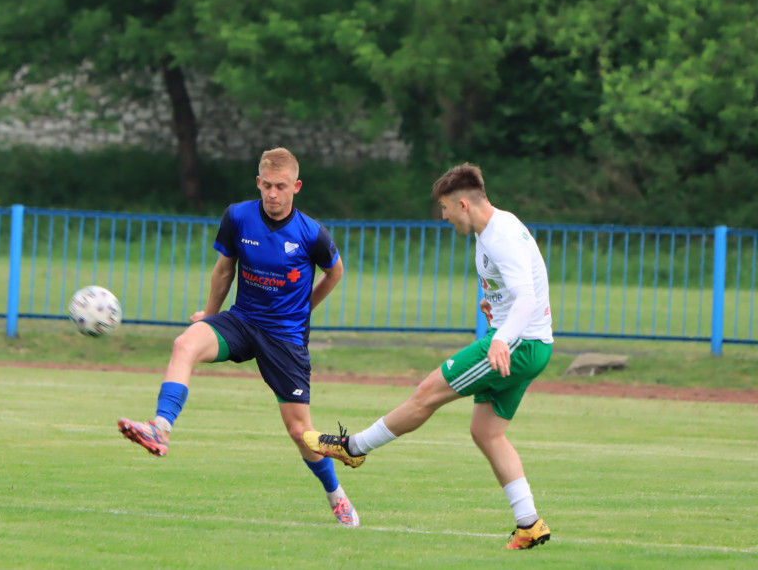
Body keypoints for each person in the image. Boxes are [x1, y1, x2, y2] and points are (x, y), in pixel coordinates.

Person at [304, 163, 553, 549]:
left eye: (445, 208)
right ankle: (529, 523)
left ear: (464, 204)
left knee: (426, 393)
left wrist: (502, 338)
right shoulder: (495, 228)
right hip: (529, 343)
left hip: (517, 345)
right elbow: (518, 289)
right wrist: (495, 305)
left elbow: (528, 299)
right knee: (486, 432)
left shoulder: (500, 236)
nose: (443, 216)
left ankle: (353, 449)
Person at [118, 147, 359, 526]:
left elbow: (335, 272)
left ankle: (336, 495)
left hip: (285, 338)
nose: (273, 194)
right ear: (257, 183)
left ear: (296, 186)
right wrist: (209, 318)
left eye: (281, 186)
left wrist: (304, 309)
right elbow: (223, 271)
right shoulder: (238, 217)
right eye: (266, 185)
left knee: (300, 432)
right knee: (185, 344)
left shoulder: (311, 233)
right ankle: (160, 428)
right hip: (242, 320)